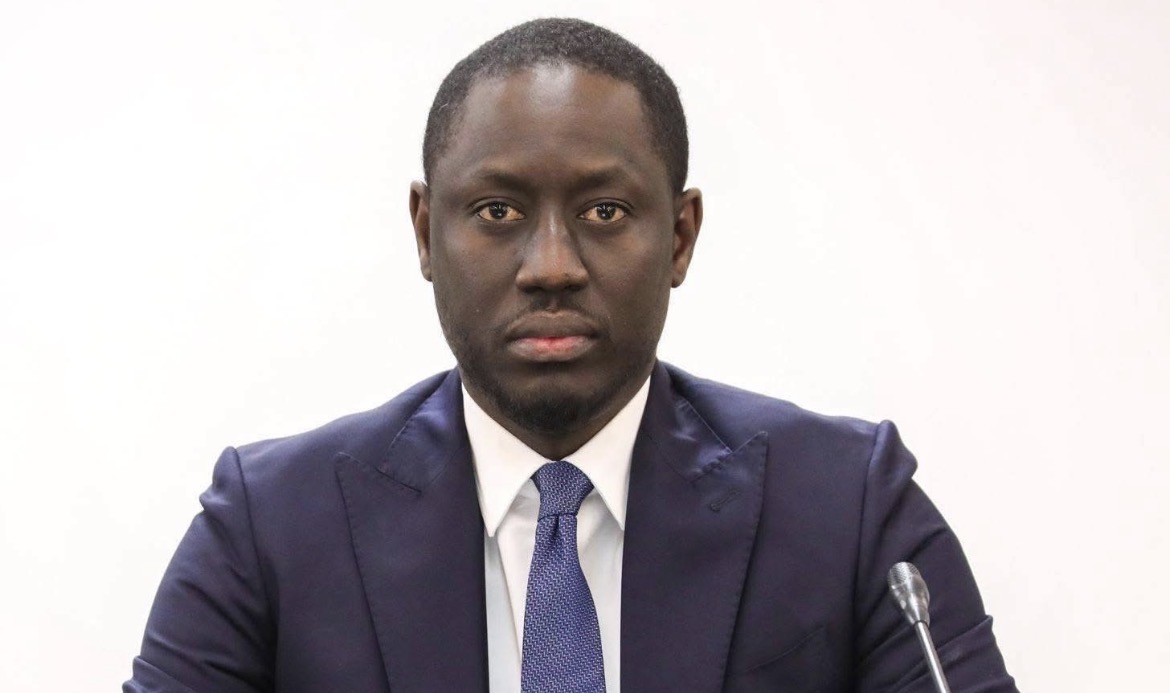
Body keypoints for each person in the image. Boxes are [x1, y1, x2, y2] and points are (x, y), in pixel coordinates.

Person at [125, 17, 1017, 693]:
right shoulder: (272, 529)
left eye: (603, 212)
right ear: (425, 232)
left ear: (680, 236)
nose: (551, 266)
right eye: (497, 212)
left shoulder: (848, 507)